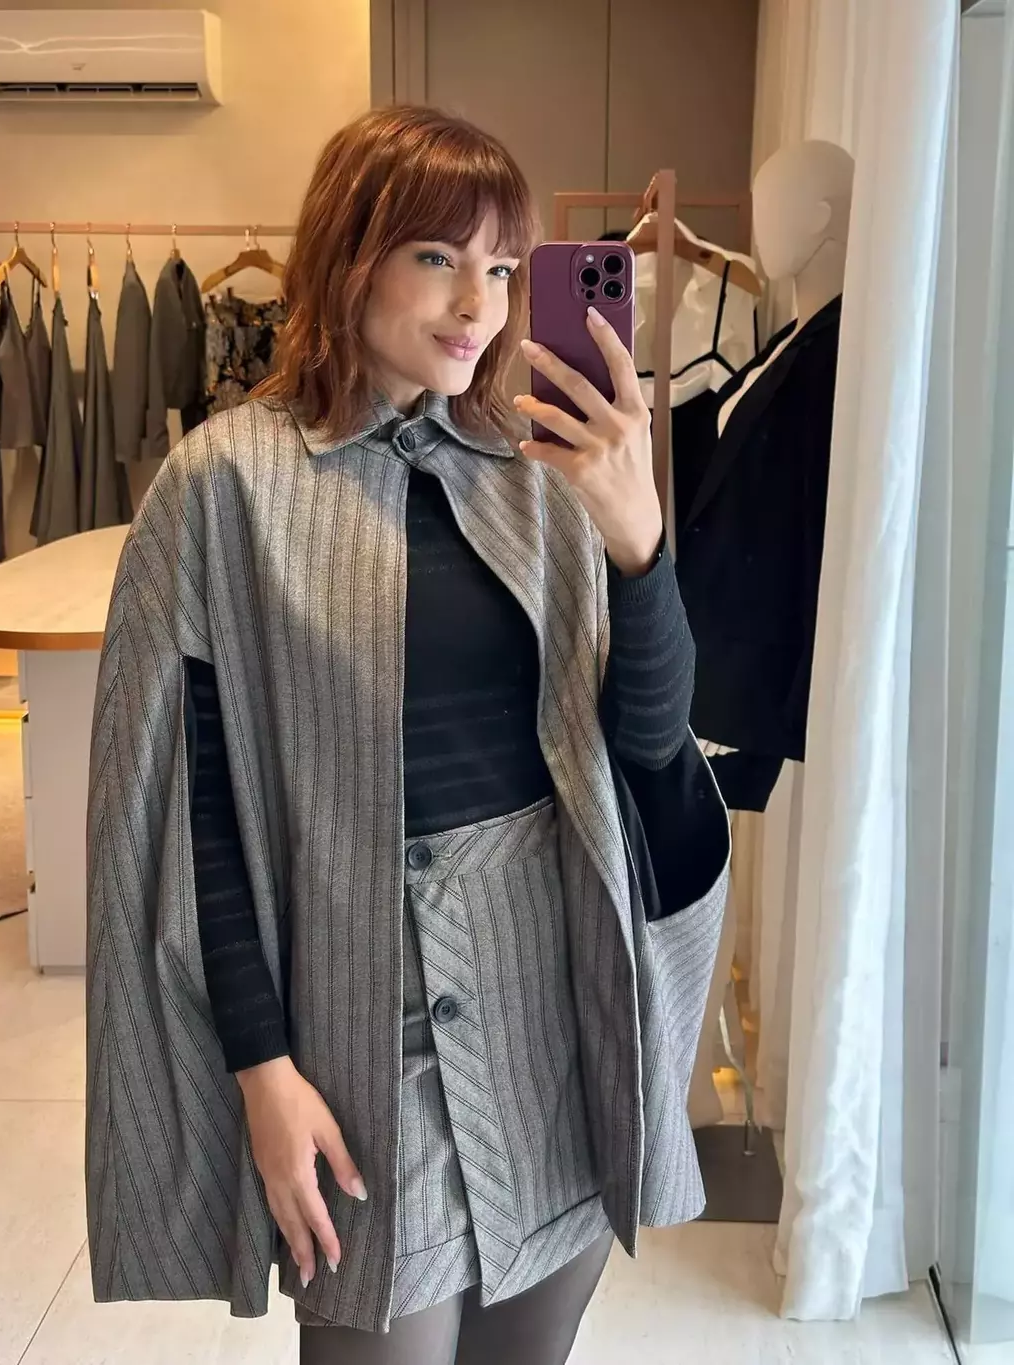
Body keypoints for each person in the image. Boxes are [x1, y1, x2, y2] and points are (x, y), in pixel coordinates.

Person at [85, 106, 730, 1365]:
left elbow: (650, 746)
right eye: (438, 257)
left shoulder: (538, 471)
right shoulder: (223, 487)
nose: (478, 305)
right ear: (350, 255)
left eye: (502, 267)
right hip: (357, 1013)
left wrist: (640, 546)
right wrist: (263, 1071)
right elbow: (191, 812)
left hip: (553, 989)